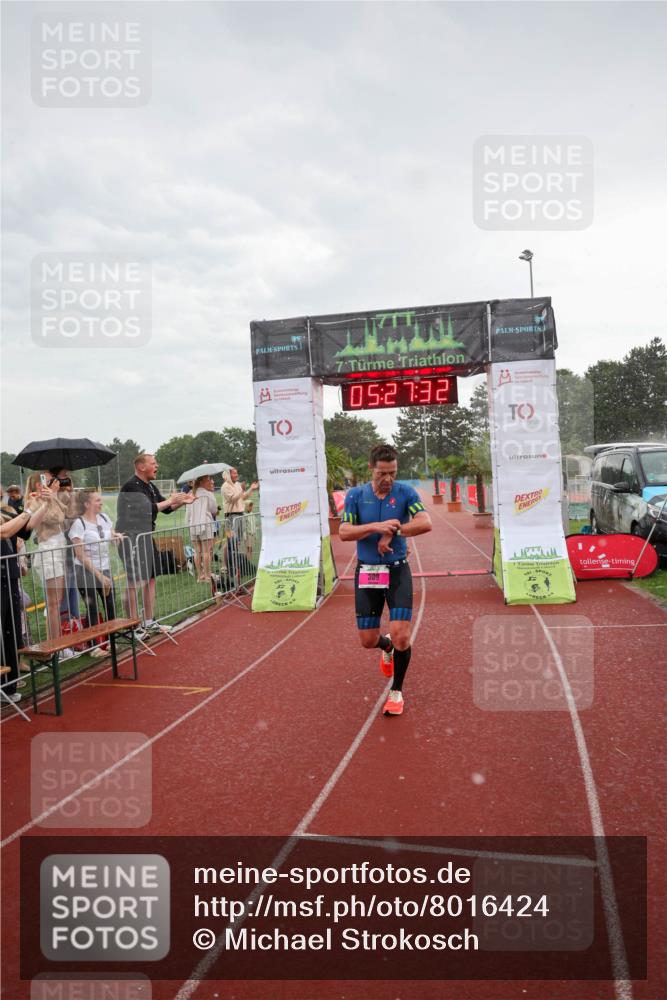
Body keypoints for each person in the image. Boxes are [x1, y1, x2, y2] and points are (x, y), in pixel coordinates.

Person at [339, 443, 432, 717]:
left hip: (396, 571)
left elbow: (425, 522)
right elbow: (344, 532)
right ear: (371, 469)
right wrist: (376, 527)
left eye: (392, 472)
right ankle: (385, 645)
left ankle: (396, 691)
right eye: (382, 473)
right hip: (367, 571)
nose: (388, 479)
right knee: (367, 640)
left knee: (403, 635)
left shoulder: (405, 493)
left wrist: (395, 529)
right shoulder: (355, 496)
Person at [115, 454, 193, 635]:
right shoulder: (131, 486)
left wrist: (182, 502)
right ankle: (132, 627)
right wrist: (172, 500)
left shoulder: (149, 485)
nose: (157, 466)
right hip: (130, 539)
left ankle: (149, 622)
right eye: (153, 463)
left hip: (145, 537)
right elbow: (147, 509)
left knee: (150, 580)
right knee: (134, 582)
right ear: (141, 467)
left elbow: (164, 508)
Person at [1, 482, 49, 702]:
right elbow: (4, 532)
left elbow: (26, 528)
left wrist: (44, 504)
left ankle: (9, 684)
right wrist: (29, 509)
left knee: (10, 632)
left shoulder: (4, 511)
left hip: (8, 577)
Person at [22, 472, 76, 653]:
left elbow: (69, 513)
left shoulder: (51, 498)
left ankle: (57, 642)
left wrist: (61, 494)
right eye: (50, 480)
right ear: (39, 484)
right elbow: (54, 518)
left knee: (57, 602)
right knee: (53, 603)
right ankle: (56, 646)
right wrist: (51, 498)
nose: (55, 482)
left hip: (58, 550)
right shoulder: (34, 501)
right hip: (48, 552)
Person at [68, 491, 122, 658]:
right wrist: (99, 576)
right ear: (87, 504)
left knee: (110, 604)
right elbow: (80, 555)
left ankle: (112, 641)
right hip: (85, 571)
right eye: (97, 500)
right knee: (92, 608)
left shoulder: (104, 518)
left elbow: (110, 536)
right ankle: (93, 647)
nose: (101, 503)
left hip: (104, 568)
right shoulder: (79, 524)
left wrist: (116, 537)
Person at [221, 469, 258, 588]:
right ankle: (226, 566)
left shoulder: (237, 485)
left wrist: (251, 489)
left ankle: (235, 566)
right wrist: (241, 489)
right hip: (230, 517)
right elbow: (232, 499)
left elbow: (242, 497)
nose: (236, 475)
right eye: (234, 473)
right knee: (229, 542)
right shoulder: (225, 486)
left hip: (239, 515)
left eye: (237, 473)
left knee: (236, 543)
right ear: (228, 474)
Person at [186, 474, 218, 582]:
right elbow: (214, 510)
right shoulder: (208, 494)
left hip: (193, 525)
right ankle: (208, 576)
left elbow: (188, 513)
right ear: (202, 482)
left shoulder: (190, 493)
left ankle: (200, 576)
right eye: (208, 480)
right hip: (206, 524)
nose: (210, 482)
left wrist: (188, 524)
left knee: (197, 551)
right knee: (206, 551)